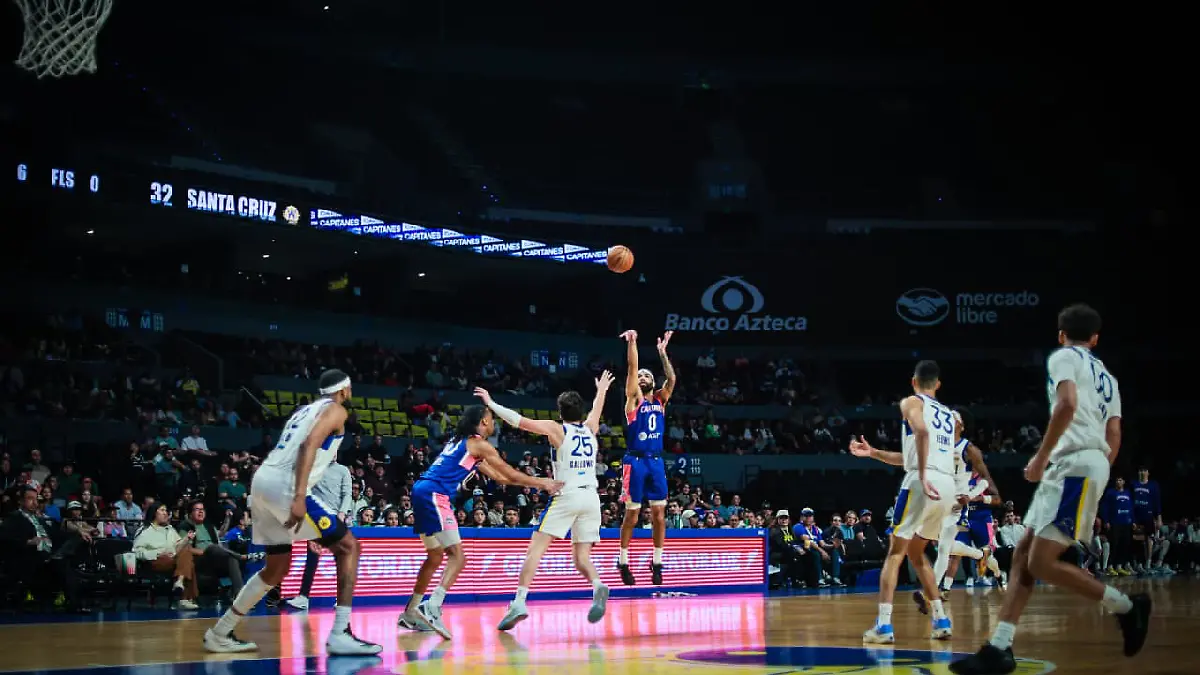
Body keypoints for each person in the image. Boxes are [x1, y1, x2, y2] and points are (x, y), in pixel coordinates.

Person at [950, 304, 1150, 674]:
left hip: (1073, 463)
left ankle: (1126, 606)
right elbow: (1115, 435)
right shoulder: (1108, 376)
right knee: (1024, 553)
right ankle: (1000, 646)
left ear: (1061, 334)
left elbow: (1067, 404)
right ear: (1095, 338)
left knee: (1041, 562)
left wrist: (1041, 458)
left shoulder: (1063, 356)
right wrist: (1100, 471)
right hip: (1082, 463)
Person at [203, 369, 380, 656]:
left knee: (276, 568)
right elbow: (310, 445)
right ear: (345, 390)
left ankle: (220, 632)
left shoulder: (303, 410)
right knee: (349, 546)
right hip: (287, 485)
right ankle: (340, 633)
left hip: (262, 482)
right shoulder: (336, 409)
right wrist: (299, 496)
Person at [397, 405, 563, 639]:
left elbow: (499, 476)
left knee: (435, 557)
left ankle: (411, 612)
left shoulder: (462, 443)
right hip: (435, 495)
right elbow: (512, 474)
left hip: (421, 491)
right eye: (492, 420)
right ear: (484, 422)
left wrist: (532, 482)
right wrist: (543, 483)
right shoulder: (478, 444)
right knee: (458, 557)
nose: (494, 424)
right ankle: (432, 606)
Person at [475, 371, 616, 630]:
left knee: (535, 549)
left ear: (560, 412)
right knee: (581, 557)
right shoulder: (590, 428)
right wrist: (603, 389)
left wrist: (491, 403)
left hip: (568, 493)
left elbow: (519, 421)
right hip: (592, 497)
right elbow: (597, 409)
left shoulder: (556, 429)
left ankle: (519, 601)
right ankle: (598, 584)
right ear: (580, 412)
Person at [849, 360, 957, 643]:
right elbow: (911, 456)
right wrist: (873, 452)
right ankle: (941, 619)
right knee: (917, 554)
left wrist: (921, 475)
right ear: (938, 384)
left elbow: (920, 434)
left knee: (895, 554)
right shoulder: (949, 414)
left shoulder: (911, 401)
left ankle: (883, 626)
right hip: (947, 485)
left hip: (924, 481)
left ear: (913, 381)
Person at [616, 329, 676, 586]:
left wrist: (662, 353)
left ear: (654, 382)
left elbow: (671, 378)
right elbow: (632, 367)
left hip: (655, 461)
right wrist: (633, 343)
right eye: (640, 375)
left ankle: (658, 562)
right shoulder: (633, 400)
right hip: (635, 461)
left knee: (659, 515)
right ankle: (623, 560)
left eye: (646, 375)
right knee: (632, 514)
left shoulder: (661, 400)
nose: (641, 377)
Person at [285, 460, 354, 611]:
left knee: (341, 560)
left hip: (336, 519)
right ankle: (303, 597)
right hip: (317, 520)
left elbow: (347, 493)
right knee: (312, 558)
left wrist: (342, 513)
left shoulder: (343, 470)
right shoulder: (313, 468)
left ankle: (342, 601)